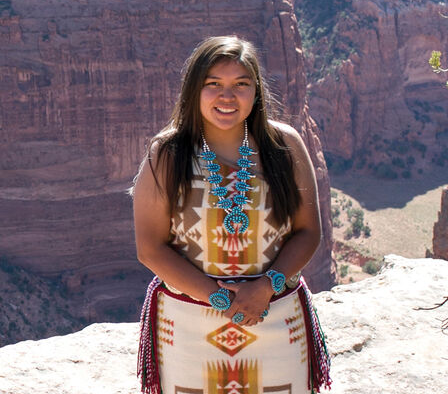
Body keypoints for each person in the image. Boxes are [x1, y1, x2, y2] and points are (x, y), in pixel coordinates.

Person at [132, 35, 331, 394]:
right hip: (189, 328)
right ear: (194, 91)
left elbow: (307, 232)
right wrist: (219, 298)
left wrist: (265, 288)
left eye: (241, 84)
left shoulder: (284, 146)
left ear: (256, 92)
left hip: (276, 320)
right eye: (214, 85)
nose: (228, 96)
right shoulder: (168, 154)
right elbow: (150, 248)